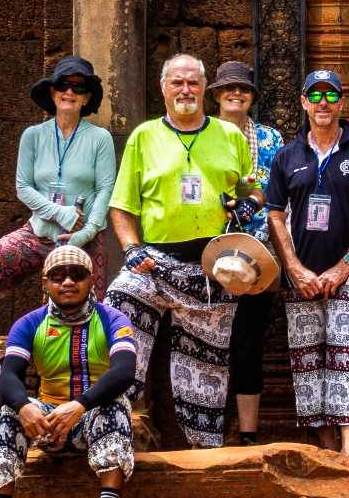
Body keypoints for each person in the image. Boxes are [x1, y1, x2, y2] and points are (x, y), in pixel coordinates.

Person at [104, 53, 257, 448]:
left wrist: (247, 204)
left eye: (193, 82)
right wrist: (132, 249)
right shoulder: (144, 137)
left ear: (205, 88)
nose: (186, 90)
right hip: (154, 261)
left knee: (205, 371)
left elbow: (252, 189)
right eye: (177, 82)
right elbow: (121, 207)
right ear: (163, 87)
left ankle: (204, 452)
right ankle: (114, 424)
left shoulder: (229, 136)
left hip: (213, 264)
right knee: (119, 307)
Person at [0, 243, 139, 498]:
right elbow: (8, 376)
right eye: (58, 276)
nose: (68, 282)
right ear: (45, 283)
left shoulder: (113, 319)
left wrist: (80, 405)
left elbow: (124, 372)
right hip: (47, 425)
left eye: (77, 274)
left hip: (92, 420)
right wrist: (25, 408)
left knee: (115, 402)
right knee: (10, 411)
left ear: (91, 280)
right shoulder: (30, 323)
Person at [263, 69, 349, 455]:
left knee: (347, 359)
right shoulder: (287, 156)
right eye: (315, 96)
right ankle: (327, 451)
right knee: (307, 364)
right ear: (303, 102)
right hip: (300, 278)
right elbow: (275, 215)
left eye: (331, 96)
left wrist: (346, 264)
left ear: (341, 103)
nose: (323, 103)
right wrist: (295, 268)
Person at [0, 55, 116, 290]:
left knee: (90, 305)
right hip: (39, 233)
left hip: (85, 239)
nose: (69, 92)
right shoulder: (33, 136)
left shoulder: (100, 138)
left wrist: (87, 232)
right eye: (63, 85)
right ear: (53, 93)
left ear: (87, 97)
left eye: (78, 87)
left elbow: (105, 189)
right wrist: (61, 213)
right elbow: (23, 186)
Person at [210, 59, 283, 445]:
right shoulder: (200, 136)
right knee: (209, 342)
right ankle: (207, 431)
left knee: (248, 341)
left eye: (243, 89)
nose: (235, 94)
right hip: (208, 251)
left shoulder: (271, 139)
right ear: (216, 95)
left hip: (258, 253)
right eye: (227, 88)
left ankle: (248, 432)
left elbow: (279, 189)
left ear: (252, 96)